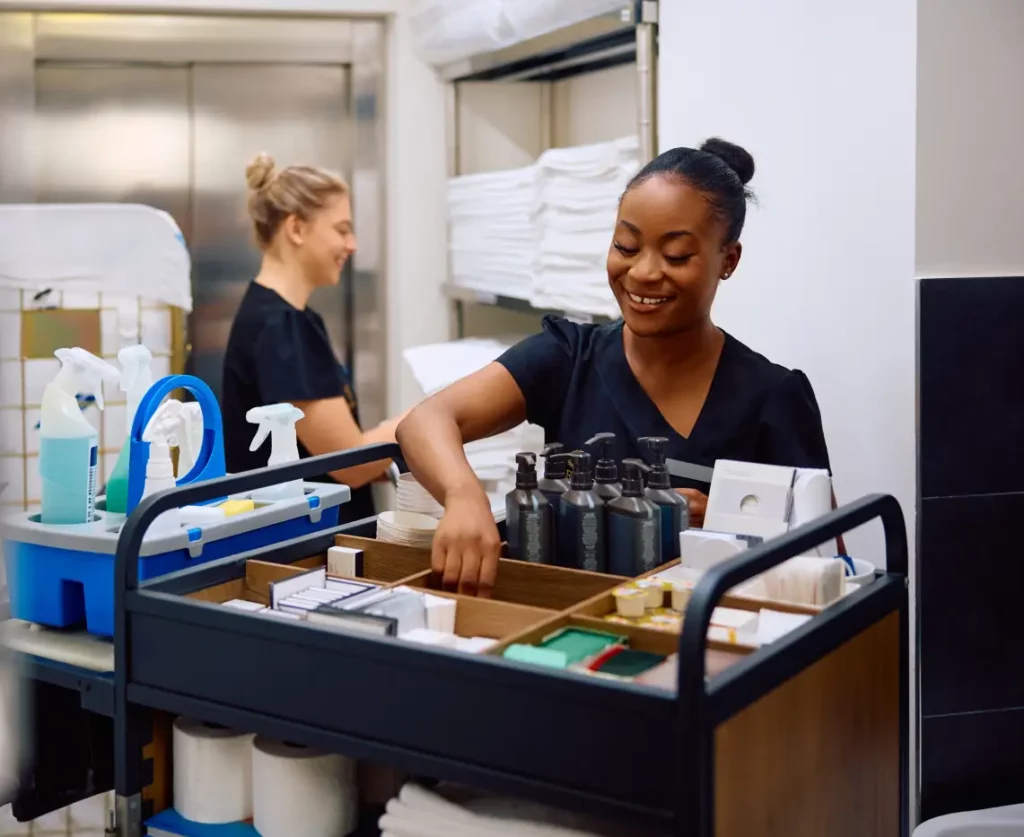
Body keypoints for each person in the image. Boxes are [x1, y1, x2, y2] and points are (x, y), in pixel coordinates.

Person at [397, 138, 833, 594]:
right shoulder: (568, 356)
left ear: (729, 260)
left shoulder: (771, 396)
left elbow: (822, 563)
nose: (643, 272)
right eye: (626, 246)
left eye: (676, 256)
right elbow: (425, 422)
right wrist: (464, 497)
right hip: (568, 623)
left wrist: (729, 521)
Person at [222, 153, 404, 523]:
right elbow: (348, 464)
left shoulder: (285, 318)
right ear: (297, 229)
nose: (351, 245)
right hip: (302, 550)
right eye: (341, 229)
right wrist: (418, 423)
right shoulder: (282, 328)